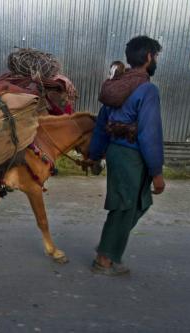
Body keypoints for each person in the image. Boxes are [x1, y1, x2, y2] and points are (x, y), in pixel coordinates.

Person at [88, 36, 165, 276]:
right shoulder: (147, 89)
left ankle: (108, 245)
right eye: (156, 56)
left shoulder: (117, 85)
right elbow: (149, 133)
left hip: (116, 153)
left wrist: (95, 154)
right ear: (149, 57)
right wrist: (157, 172)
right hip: (132, 156)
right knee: (125, 206)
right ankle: (104, 259)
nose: (156, 61)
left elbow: (102, 124)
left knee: (139, 203)